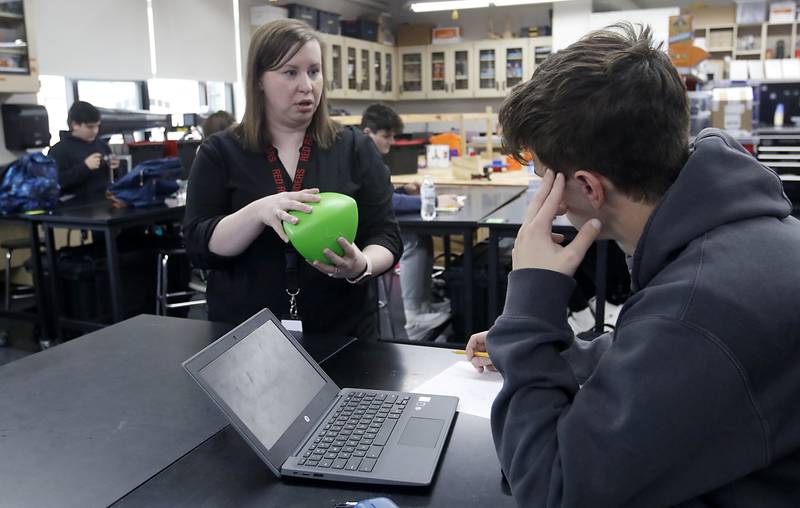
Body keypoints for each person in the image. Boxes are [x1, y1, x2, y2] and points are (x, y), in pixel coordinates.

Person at [466, 23, 800, 505]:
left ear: (588, 186)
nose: (550, 203)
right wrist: (556, 355)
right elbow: (676, 362)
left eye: (546, 181)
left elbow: (550, 489)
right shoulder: (737, 236)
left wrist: (528, 308)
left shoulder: (695, 308)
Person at [183, 20, 402, 339]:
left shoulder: (355, 148)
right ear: (259, 79)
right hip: (246, 336)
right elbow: (199, 246)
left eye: (314, 71)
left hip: (343, 331)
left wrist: (362, 265)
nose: (307, 85)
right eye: (290, 72)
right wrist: (258, 212)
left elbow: (387, 235)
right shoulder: (220, 152)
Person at [360, 103, 458, 341]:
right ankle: (414, 313)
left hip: (373, 224)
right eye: (386, 136)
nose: (391, 142)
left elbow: (382, 195)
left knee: (420, 236)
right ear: (367, 133)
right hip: (364, 233)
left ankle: (423, 306)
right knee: (412, 240)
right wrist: (431, 200)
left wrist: (405, 189)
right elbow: (388, 202)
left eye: (393, 136)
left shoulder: (372, 158)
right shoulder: (359, 158)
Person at [48, 101, 120, 199]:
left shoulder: (102, 146)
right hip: (74, 207)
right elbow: (56, 183)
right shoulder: (58, 151)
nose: (95, 131)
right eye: (90, 127)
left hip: (103, 202)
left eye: (97, 126)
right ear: (75, 125)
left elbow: (112, 178)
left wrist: (114, 168)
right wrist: (85, 167)